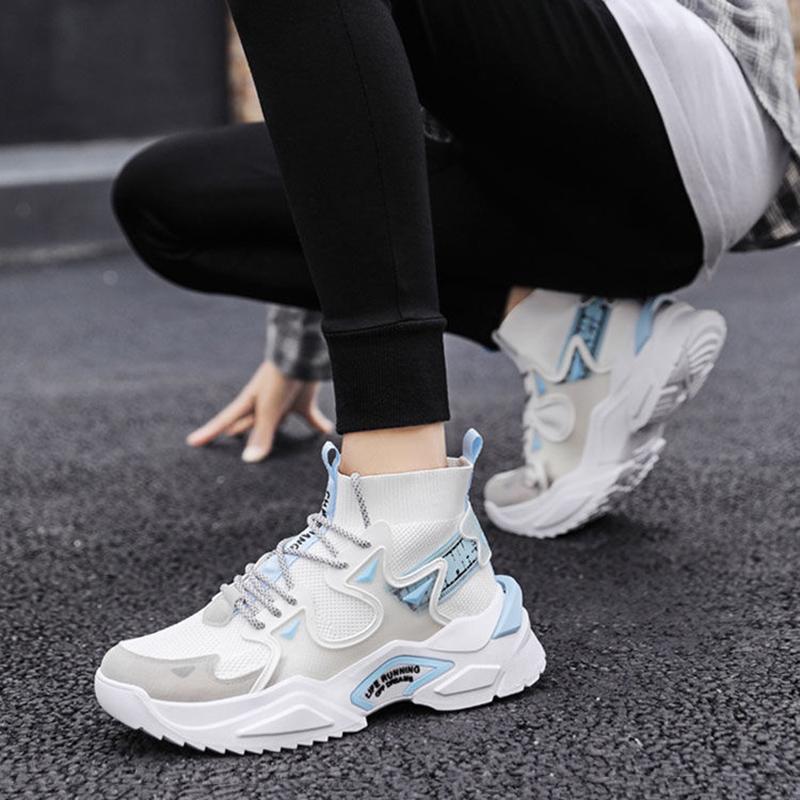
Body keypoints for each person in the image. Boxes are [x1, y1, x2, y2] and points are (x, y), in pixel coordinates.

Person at [95, 0, 800, 752]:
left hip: (672, 110)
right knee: (164, 200)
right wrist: (298, 350)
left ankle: (407, 534)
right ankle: (564, 331)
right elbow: (351, 94)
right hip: (531, 178)